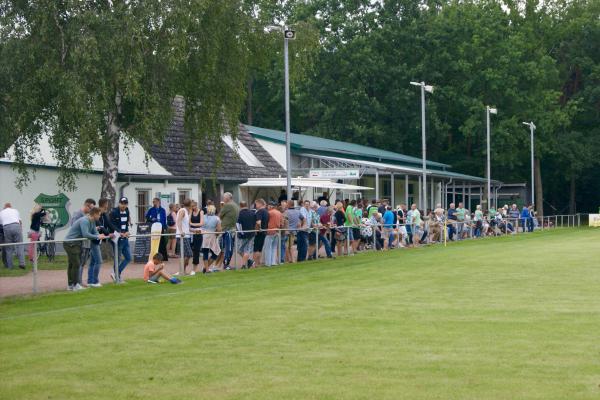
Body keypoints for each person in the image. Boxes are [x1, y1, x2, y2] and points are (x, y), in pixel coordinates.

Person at [64, 207, 111, 291]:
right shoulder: (85, 220)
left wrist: (99, 235)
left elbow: (94, 231)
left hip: (76, 244)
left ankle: (71, 285)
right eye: (99, 215)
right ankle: (75, 285)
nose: (100, 217)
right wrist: (97, 236)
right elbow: (85, 234)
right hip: (70, 243)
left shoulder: (92, 221)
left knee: (73, 264)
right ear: (95, 214)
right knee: (76, 264)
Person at [87, 198, 113, 287]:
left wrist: (112, 232)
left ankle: (90, 281)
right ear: (104, 204)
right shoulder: (96, 213)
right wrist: (108, 234)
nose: (108, 205)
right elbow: (100, 226)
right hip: (94, 240)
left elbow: (108, 224)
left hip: (98, 240)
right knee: (99, 261)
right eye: (107, 203)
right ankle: (95, 281)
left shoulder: (104, 214)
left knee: (93, 262)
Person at [71, 198, 96, 284]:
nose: (91, 211)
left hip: (86, 243)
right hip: (80, 243)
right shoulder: (77, 215)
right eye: (91, 208)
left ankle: (79, 282)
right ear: (86, 205)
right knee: (79, 264)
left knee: (82, 263)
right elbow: (74, 229)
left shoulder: (87, 216)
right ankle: (77, 283)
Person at [110, 197, 132, 283]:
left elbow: (126, 224)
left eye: (125, 203)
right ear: (119, 203)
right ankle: (117, 276)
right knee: (118, 258)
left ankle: (116, 272)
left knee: (128, 257)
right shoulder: (114, 212)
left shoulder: (127, 210)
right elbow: (112, 225)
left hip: (125, 237)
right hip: (117, 238)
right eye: (122, 203)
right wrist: (120, 232)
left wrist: (127, 232)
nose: (123, 205)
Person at [0, 203, 26, 269]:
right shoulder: (15, 210)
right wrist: (20, 229)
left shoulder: (1, 212)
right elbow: (20, 221)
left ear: (4, 207)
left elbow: (1, 224)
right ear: (10, 207)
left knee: (9, 248)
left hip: (6, 227)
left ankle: (10, 266)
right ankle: (22, 263)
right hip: (16, 226)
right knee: (20, 245)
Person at [219, 192, 239, 270]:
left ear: (227, 198)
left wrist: (222, 207)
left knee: (227, 247)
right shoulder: (235, 205)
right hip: (233, 228)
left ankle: (225, 264)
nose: (223, 199)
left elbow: (220, 215)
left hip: (227, 229)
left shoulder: (227, 205)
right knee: (230, 247)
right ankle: (227, 264)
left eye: (224, 197)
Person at [174, 198, 193, 275]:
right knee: (188, 254)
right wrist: (181, 231)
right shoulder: (182, 210)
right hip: (182, 236)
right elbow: (178, 221)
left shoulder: (187, 211)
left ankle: (182, 271)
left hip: (187, 236)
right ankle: (181, 270)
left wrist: (193, 230)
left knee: (186, 254)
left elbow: (186, 225)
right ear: (190, 204)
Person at [201, 205, 221, 273]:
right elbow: (219, 229)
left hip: (203, 235)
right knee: (216, 252)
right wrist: (217, 234)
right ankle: (206, 268)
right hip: (212, 235)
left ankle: (206, 268)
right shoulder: (217, 218)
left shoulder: (203, 217)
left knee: (205, 253)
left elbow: (200, 225)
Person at [237, 201, 256, 269]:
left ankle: (244, 265)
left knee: (239, 250)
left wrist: (241, 232)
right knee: (247, 250)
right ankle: (248, 262)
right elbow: (255, 223)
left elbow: (238, 225)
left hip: (243, 235)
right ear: (246, 205)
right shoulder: (253, 213)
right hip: (251, 233)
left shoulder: (240, 214)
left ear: (240, 206)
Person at [264, 201, 282, 266]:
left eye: (268, 206)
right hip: (277, 231)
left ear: (270, 206)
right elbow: (281, 223)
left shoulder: (269, 213)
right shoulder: (279, 213)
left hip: (270, 231)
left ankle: (268, 263)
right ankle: (273, 262)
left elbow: (266, 222)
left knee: (268, 248)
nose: (267, 207)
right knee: (274, 248)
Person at [253, 199, 269, 267]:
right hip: (264, 231)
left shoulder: (259, 212)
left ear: (260, 204)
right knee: (260, 248)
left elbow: (258, 222)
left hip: (259, 232)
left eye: (256, 204)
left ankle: (255, 263)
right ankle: (258, 262)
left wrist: (257, 230)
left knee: (256, 248)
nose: (255, 206)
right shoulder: (266, 212)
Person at [189, 201, 204, 275]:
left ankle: (194, 269)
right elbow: (188, 222)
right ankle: (184, 268)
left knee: (196, 251)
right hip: (191, 233)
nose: (192, 208)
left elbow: (201, 223)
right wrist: (192, 225)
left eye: (193, 206)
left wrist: (192, 224)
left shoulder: (201, 212)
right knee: (189, 251)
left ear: (196, 205)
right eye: (191, 206)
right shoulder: (190, 212)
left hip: (198, 233)